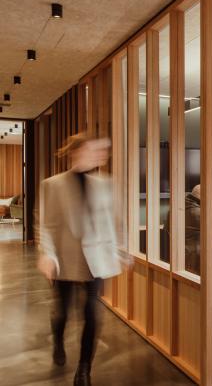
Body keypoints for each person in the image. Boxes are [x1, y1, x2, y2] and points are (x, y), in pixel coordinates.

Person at [37, 133, 129, 386]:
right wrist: (47, 254)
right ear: (76, 152)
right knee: (62, 311)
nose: (101, 155)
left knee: (92, 312)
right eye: (94, 150)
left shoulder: (106, 183)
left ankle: (84, 369)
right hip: (65, 258)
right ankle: (58, 342)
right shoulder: (52, 185)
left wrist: (122, 250)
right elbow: (46, 225)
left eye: (102, 151)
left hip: (96, 259)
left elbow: (118, 221)